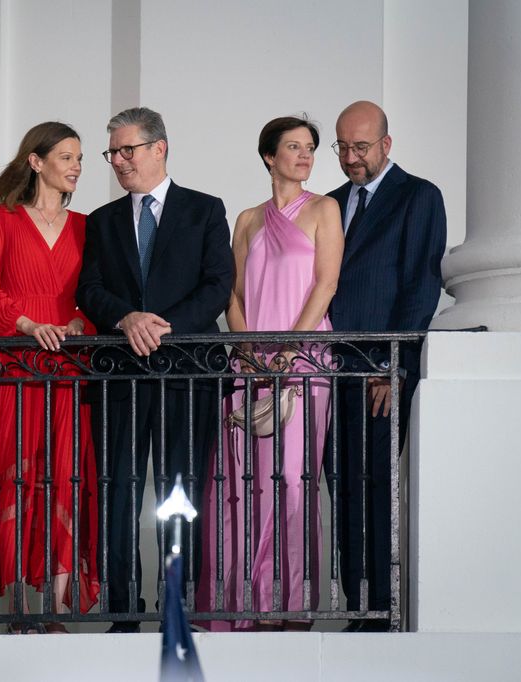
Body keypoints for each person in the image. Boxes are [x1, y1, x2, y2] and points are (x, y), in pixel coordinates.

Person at [76, 107, 234, 633]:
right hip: (120, 376)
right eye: (112, 153)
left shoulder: (205, 209)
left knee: (180, 492)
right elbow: (90, 290)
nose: (118, 161)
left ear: (159, 148)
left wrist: (161, 327)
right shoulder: (100, 220)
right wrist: (127, 318)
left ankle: (178, 605)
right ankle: (122, 612)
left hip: (187, 373)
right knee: (118, 491)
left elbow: (217, 284)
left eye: (127, 150)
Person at [196, 116, 343, 631]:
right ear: (268, 156)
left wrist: (287, 351)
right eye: (294, 147)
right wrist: (247, 348)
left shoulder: (326, 209)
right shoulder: (247, 219)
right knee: (241, 483)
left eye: (310, 148)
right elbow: (231, 295)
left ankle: (288, 605)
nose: (305, 156)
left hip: (303, 364)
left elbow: (325, 286)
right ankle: (241, 604)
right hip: (250, 363)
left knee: (294, 485)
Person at [0, 122, 100, 633]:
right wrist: (27, 325)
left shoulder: (87, 226)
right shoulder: (1, 220)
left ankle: (52, 602)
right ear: (36, 161)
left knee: (65, 476)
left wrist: (75, 323)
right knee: (15, 475)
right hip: (13, 364)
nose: (75, 166)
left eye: (79, 158)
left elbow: (93, 296)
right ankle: (20, 607)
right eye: (66, 156)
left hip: (67, 365)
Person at [327, 101, 447, 632]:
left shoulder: (419, 196)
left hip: (382, 369)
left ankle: (380, 609)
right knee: (339, 481)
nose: (351, 158)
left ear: (386, 145)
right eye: (343, 147)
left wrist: (391, 367)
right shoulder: (329, 203)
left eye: (361, 148)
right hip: (327, 371)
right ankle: (357, 605)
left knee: (375, 483)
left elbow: (421, 287)